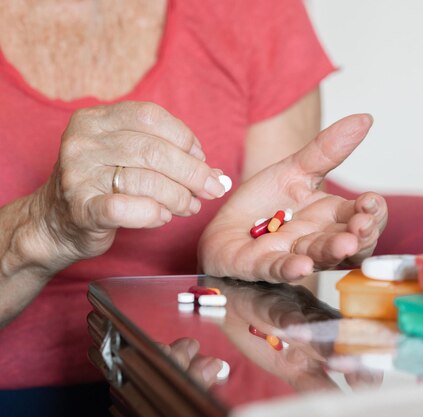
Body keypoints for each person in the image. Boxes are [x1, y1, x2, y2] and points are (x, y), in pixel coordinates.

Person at [0, 0, 388, 415]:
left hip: (205, 384)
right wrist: (43, 226)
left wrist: (238, 283)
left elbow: (287, 282)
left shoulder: (255, 11)